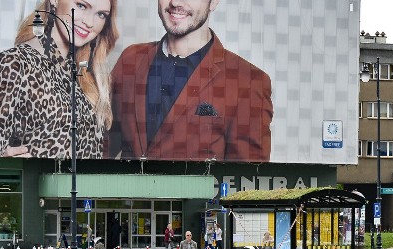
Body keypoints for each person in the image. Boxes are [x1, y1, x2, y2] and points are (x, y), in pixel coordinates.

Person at [108, 0, 273, 161]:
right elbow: (99, 149)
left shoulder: (248, 82)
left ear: (214, 2)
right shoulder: (130, 60)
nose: (175, 3)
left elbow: (246, 181)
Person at [0, 0, 119, 158]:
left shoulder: (85, 74)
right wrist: (2, 165)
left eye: (101, 14)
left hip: (83, 184)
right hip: (39, 183)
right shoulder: (14, 64)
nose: (89, 22)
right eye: (81, 5)